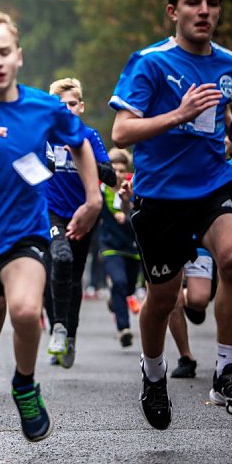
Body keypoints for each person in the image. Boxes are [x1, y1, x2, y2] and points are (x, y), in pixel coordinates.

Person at [0, 11, 101, 464]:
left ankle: (25, 384)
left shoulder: (44, 108)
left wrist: (92, 199)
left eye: (4, 52)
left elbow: (81, 143)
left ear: (19, 57)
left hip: (25, 233)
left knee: (27, 312)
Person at [110, 0, 232, 427]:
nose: (204, 11)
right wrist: (179, 115)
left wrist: (230, 126)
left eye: (212, 3)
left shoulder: (229, 64)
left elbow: (221, 115)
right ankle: (154, 373)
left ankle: (226, 370)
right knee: (163, 300)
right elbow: (122, 132)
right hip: (161, 195)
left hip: (214, 184)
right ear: (173, 11)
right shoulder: (150, 62)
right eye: (193, 2)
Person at [43, 78, 116, 369]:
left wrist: (82, 159)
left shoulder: (88, 136)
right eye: (61, 105)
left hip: (83, 213)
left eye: (72, 104)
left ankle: (69, 334)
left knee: (73, 277)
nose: (67, 109)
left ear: (81, 106)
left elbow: (111, 176)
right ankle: (57, 328)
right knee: (58, 261)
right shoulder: (43, 134)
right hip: (50, 211)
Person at [99, 149, 141, 348]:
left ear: (127, 171)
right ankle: (124, 328)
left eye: (121, 170)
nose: (117, 174)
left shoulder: (134, 190)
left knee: (128, 288)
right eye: (113, 169)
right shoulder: (100, 191)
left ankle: (115, 300)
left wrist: (127, 213)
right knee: (119, 281)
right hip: (110, 246)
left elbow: (141, 215)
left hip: (132, 247)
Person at [167, 248, 216, 378]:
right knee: (172, 299)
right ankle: (186, 357)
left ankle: (188, 293)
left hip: (199, 243)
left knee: (199, 301)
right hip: (169, 244)